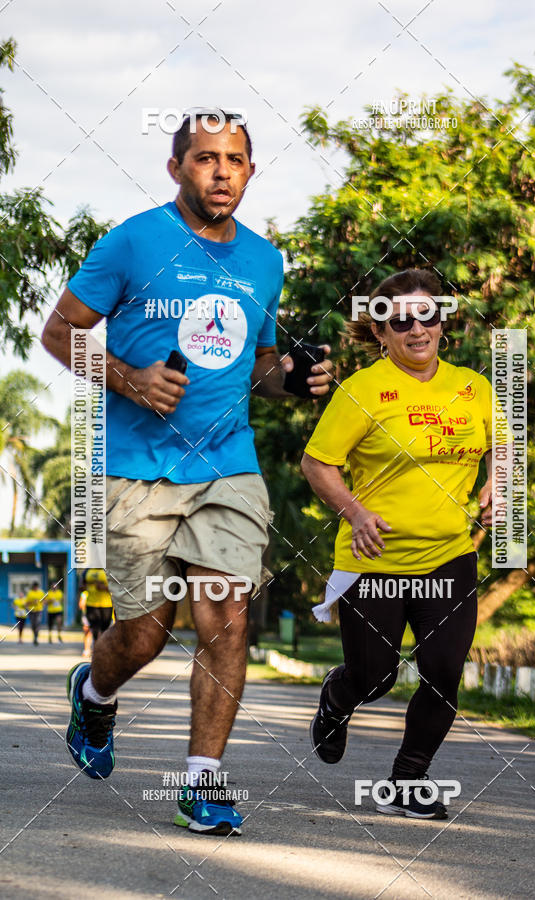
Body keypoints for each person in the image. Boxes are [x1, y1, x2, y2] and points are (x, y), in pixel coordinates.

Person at [41, 109, 333, 837]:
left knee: (224, 617)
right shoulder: (132, 242)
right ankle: (95, 691)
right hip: (135, 469)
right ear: (177, 168)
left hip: (228, 462)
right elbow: (58, 332)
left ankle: (202, 782)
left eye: (234, 159)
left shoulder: (265, 261)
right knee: (144, 635)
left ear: (251, 170)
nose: (221, 172)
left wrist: (293, 380)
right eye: (205, 158)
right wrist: (130, 379)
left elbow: (257, 367)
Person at [302, 268, 504, 820]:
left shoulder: (474, 387)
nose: (417, 329)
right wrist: (355, 512)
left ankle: (409, 779)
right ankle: (338, 698)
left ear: (442, 321)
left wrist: (497, 483)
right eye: (400, 321)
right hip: (375, 560)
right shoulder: (362, 390)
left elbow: (504, 447)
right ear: (380, 331)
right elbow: (317, 464)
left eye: (427, 315)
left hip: (449, 556)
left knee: (443, 673)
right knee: (375, 677)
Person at [83, 569, 113, 644]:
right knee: (94, 628)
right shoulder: (87, 571)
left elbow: (117, 588)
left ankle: (102, 645)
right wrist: (88, 586)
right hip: (91, 604)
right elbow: (81, 586)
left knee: (105, 628)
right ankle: (97, 645)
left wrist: (105, 587)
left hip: (106, 605)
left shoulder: (109, 570)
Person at [24, 582, 45, 646]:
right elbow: (26, 603)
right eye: (34, 587)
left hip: (39, 610)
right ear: (33, 587)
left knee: (37, 623)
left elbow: (44, 600)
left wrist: (42, 603)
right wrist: (33, 602)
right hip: (31, 611)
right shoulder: (30, 593)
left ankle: (36, 637)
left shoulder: (41, 592)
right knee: (33, 624)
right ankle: (35, 635)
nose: (35, 588)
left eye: (36, 587)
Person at [78, 588, 93, 660]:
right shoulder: (84, 594)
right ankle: (87, 650)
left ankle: (95, 650)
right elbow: (81, 605)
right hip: (87, 615)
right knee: (87, 632)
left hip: (97, 614)